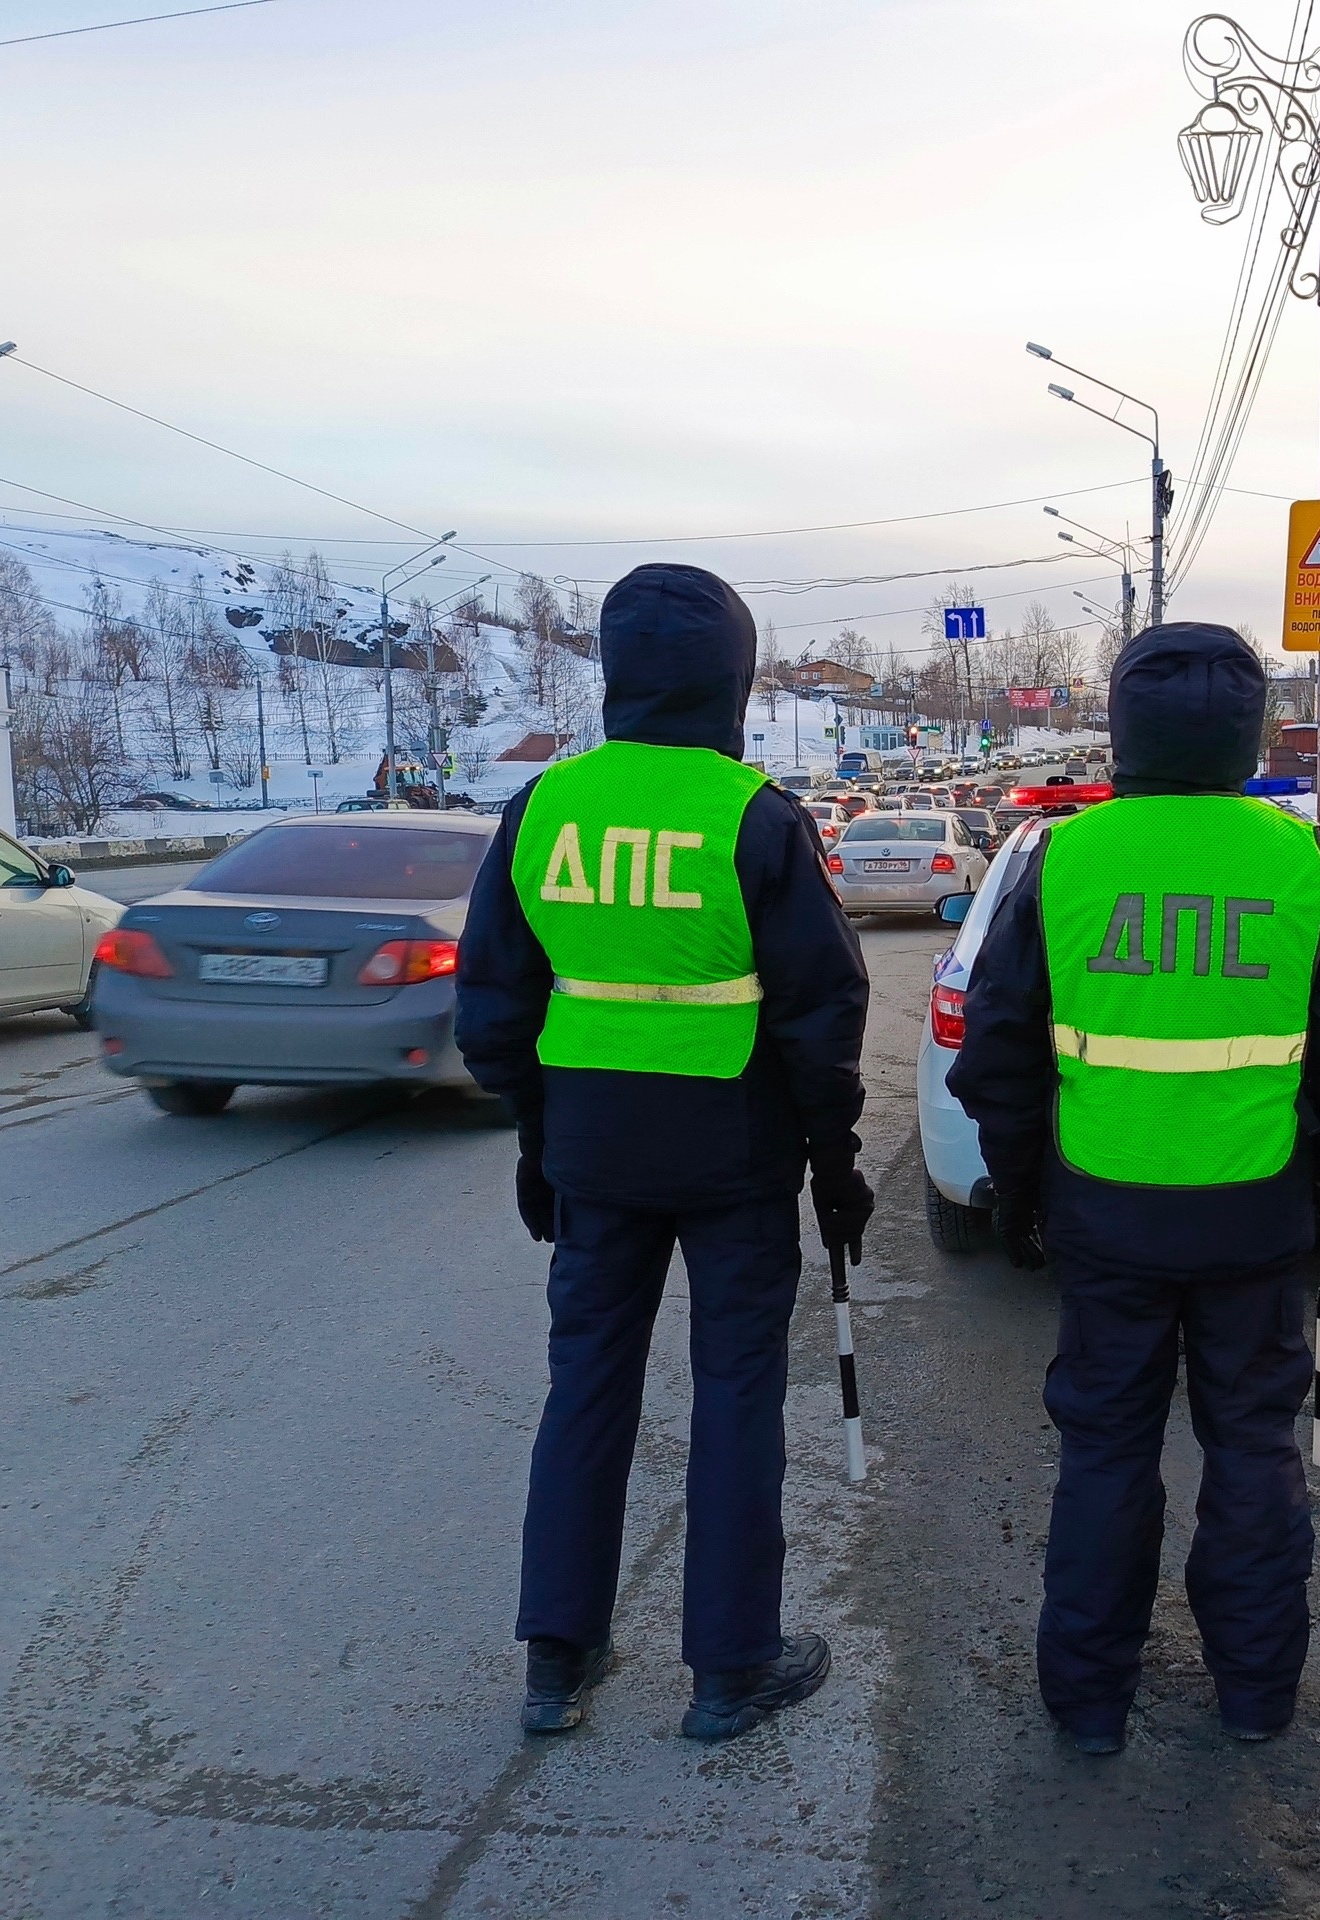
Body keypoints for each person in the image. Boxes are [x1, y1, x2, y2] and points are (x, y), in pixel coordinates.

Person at [948, 622, 1320, 1755]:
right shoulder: (1295, 861)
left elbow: (999, 1052)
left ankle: (1089, 1707)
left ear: (1126, 726)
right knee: (1254, 1452)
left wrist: (1018, 1192)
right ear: (1243, 731)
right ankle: (1255, 1698)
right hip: (1256, 1221)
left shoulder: (1068, 859)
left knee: (1105, 1455)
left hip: (1104, 1220)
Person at [458, 562, 874, 1743]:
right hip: (733, 1156)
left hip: (592, 1151)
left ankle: (556, 1659)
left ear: (616, 674)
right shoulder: (751, 813)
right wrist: (832, 1161)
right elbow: (820, 1011)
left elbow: (494, 1001)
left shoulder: (543, 808)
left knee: (585, 1385)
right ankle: (731, 1669)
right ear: (731, 680)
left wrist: (537, 1133)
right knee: (736, 1393)